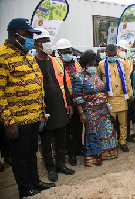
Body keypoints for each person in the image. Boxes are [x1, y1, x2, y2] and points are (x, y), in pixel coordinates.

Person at [0, 18, 55, 198]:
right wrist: (9, 122)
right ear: (16, 35)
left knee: (32, 153)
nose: (32, 38)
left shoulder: (27, 57)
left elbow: (37, 86)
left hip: (34, 117)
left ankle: (35, 182)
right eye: (29, 35)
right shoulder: (3, 57)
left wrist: (41, 112)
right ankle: (25, 188)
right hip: (17, 120)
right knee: (20, 156)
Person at [34, 30, 75, 182]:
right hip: (44, 109)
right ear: (37, 44)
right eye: (44, 40)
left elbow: (65, 84)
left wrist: (69, 104)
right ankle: (50, 168)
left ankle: (60, 165)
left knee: (61, 139)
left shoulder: (57, 61)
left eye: (48, 40)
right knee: (46, 142)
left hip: (60, 106)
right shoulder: (32, 63)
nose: (48, 43)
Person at [72, 49, 118, 166]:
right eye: (90, 65)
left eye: (94, 64)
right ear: (84, 64)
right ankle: (94, 158)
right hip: (90, 111)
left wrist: (106, 102)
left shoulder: (96, 75)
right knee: (93, 134)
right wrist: (81, 113)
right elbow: (77, 97)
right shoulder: (78, 77)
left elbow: (103, 89)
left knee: (107, 131)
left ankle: (107, 154)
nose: (93, 66)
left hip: (103, 109)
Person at [97, 44, 133, 152]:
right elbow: (98, 80)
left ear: (116, 54)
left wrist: (130, 94)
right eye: (110, 55)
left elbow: (127, 79)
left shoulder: (122, 63)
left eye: (114, 55)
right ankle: (112, 142)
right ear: (106, 54)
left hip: (122, 97)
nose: (112, 57)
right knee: (111, 123)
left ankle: (122, 142)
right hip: (109, 99)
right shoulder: (101, 64)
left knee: (123, 123)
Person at [56, 38, 83, 166]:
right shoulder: (57, 64)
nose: (68, 54)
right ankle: (71, 154)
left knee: (78, 128)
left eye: (69, 51)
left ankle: (78, 148)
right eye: (65, 52)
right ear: (59, 52)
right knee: (68, 131)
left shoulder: (76, 64)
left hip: (77, 100)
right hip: (64, 102)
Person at [116, 40, 135, 143]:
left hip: (127, 93)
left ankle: (127, 135)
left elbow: (130, 79)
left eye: (125, 50)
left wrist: (130, 93)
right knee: (116, 118)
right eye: (122, 50)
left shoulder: (129, 62)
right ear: (117, 49)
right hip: (115, 94)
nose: (123, 52)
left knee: (127, 116)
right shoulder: (111, 62)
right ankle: (118, 137)